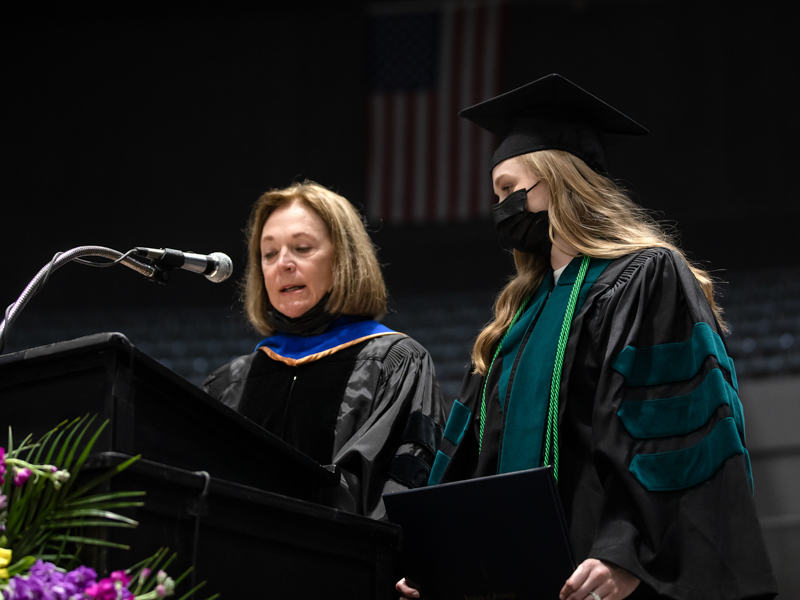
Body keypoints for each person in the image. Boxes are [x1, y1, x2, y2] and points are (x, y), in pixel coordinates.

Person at [397, 75, 777, 599]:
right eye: (496, 195)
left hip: (599, 575)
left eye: (510, 188)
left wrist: (629, 551)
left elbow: (668, 432)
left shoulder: (647, 276)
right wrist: (433, 556)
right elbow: (475, 458)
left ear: (562, 179)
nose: (501, 206)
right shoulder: (515, 318)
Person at [203, 181, 446, 520]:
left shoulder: (394, 362)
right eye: (269, 253)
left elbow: (406, 481)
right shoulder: (232, 382)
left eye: (302, 248)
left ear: (343, 259)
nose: (282, 263)